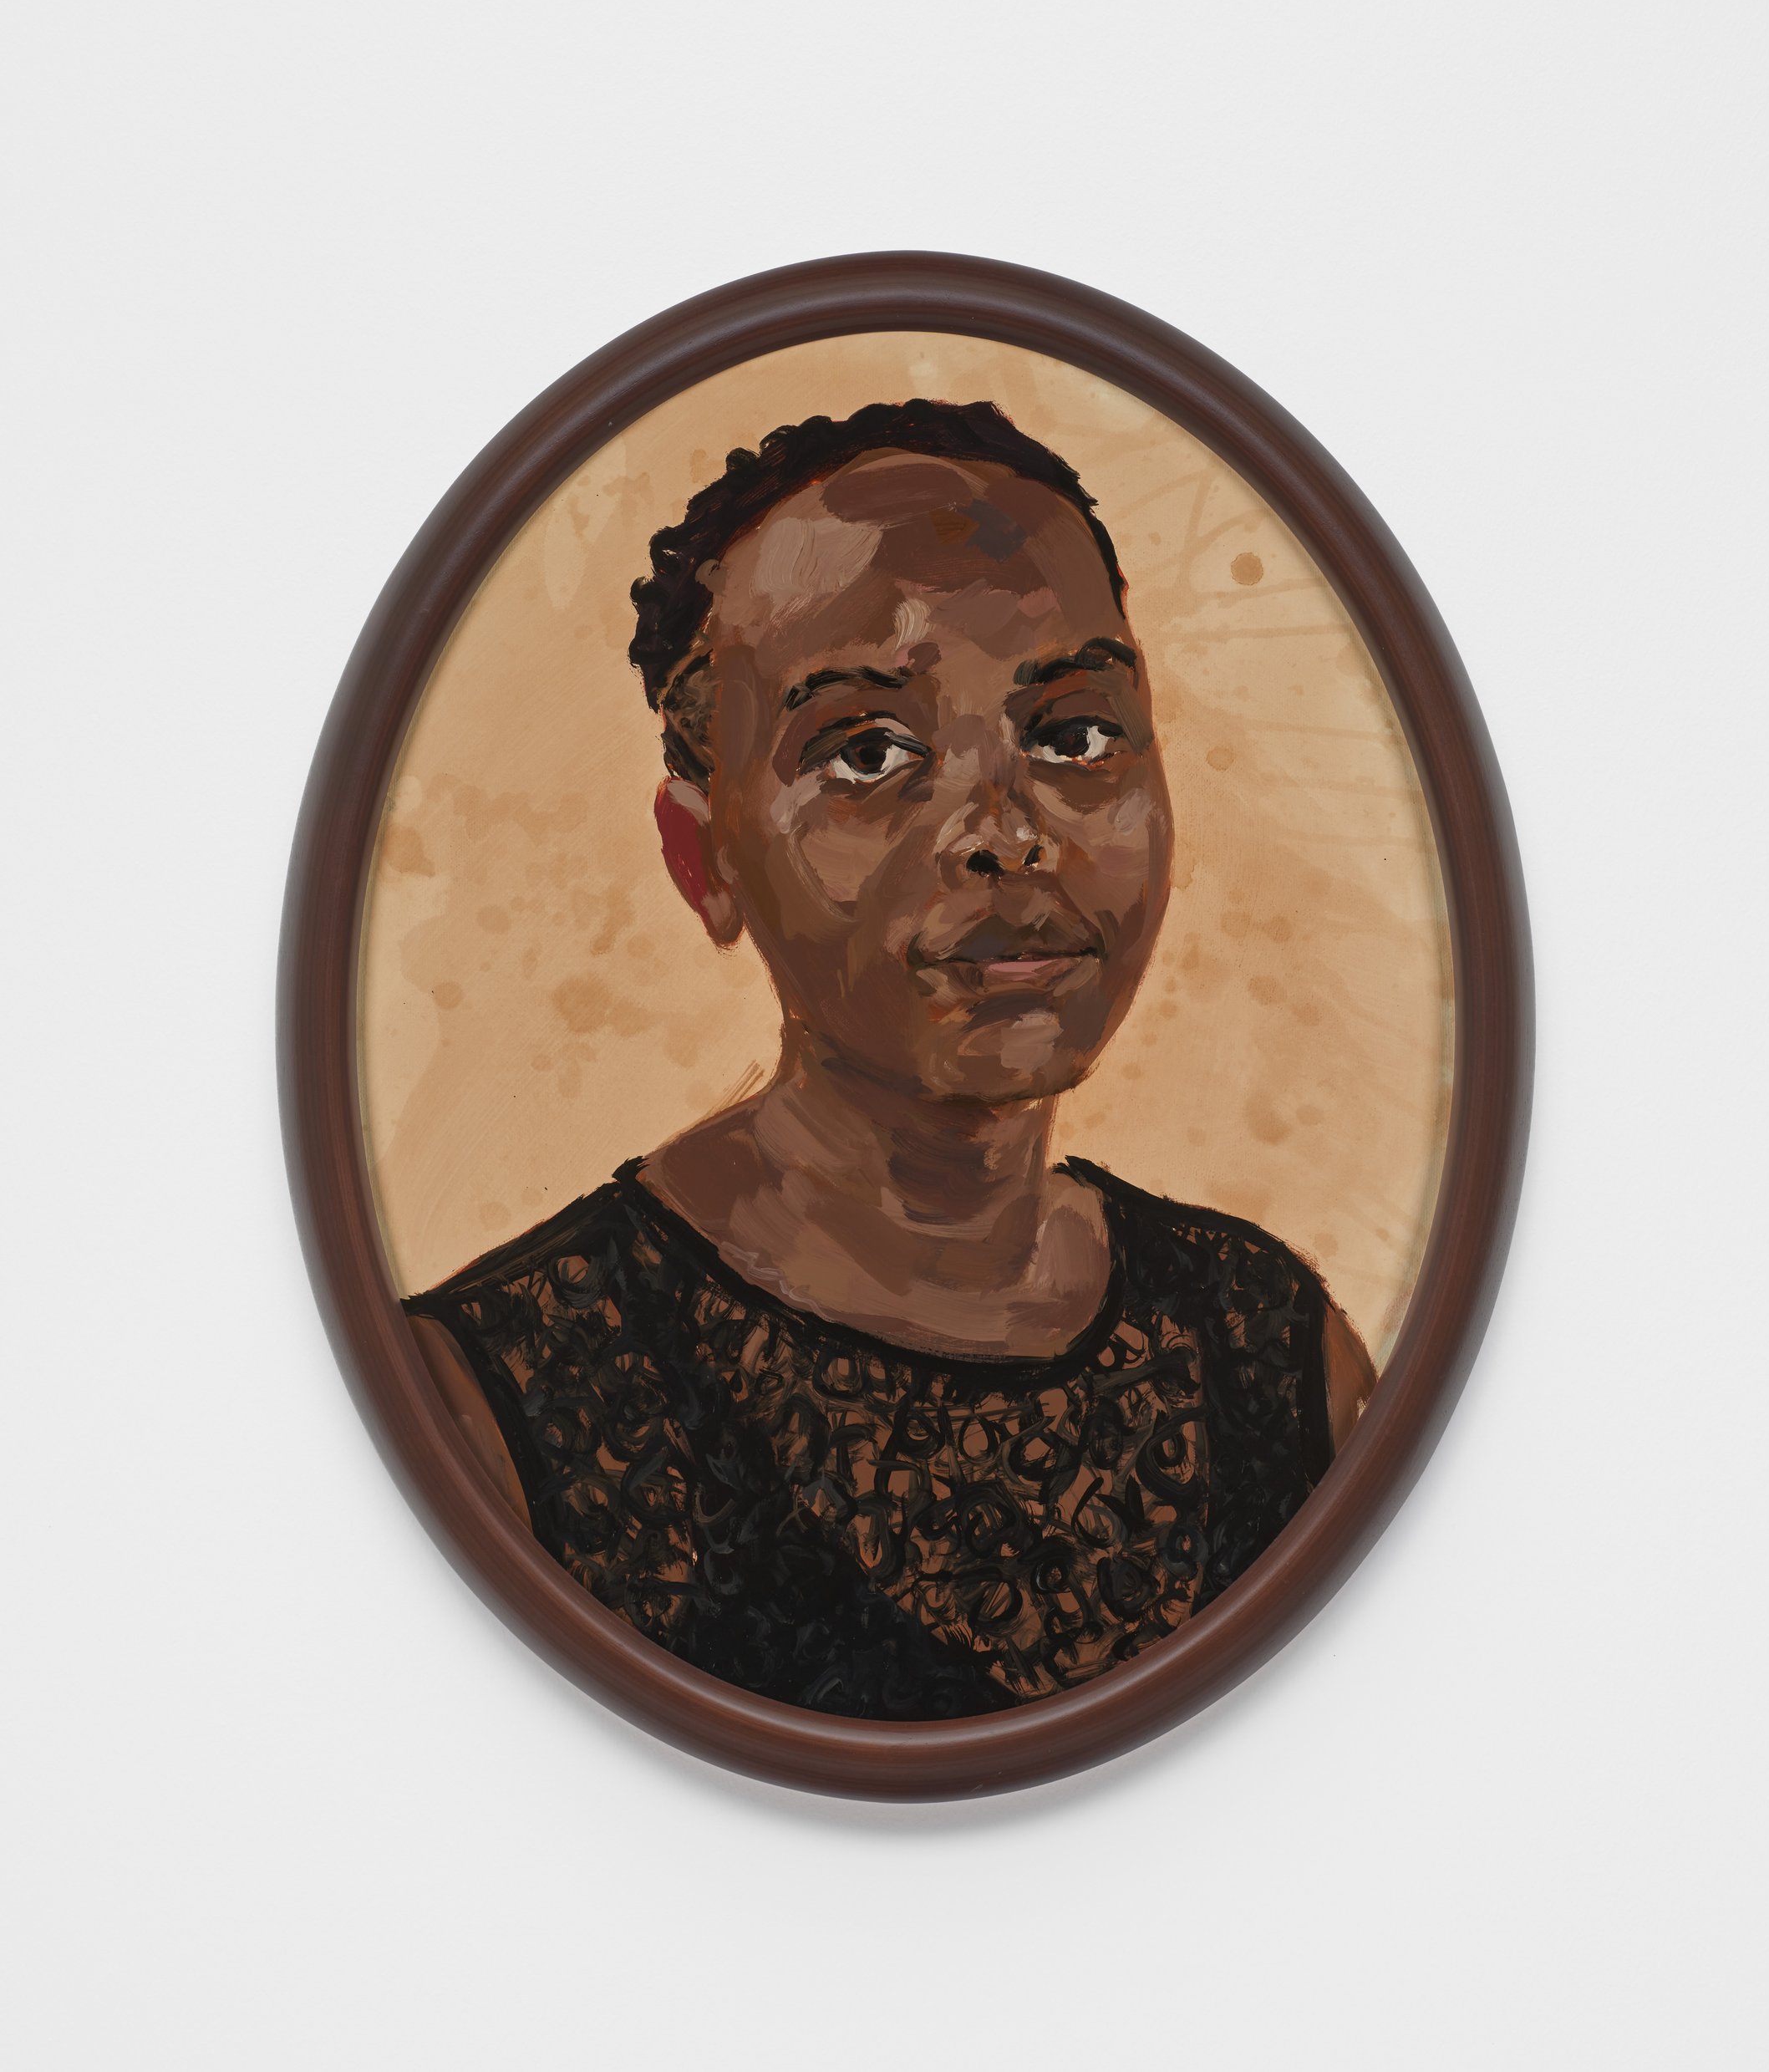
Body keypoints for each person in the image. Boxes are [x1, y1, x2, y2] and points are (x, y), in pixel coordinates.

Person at [404, 398, 1375, 1720]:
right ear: (704, 857)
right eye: (867, 753)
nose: (1007, 834)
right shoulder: (495, 1399)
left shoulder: (1270, 1346)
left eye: (1077, 735)